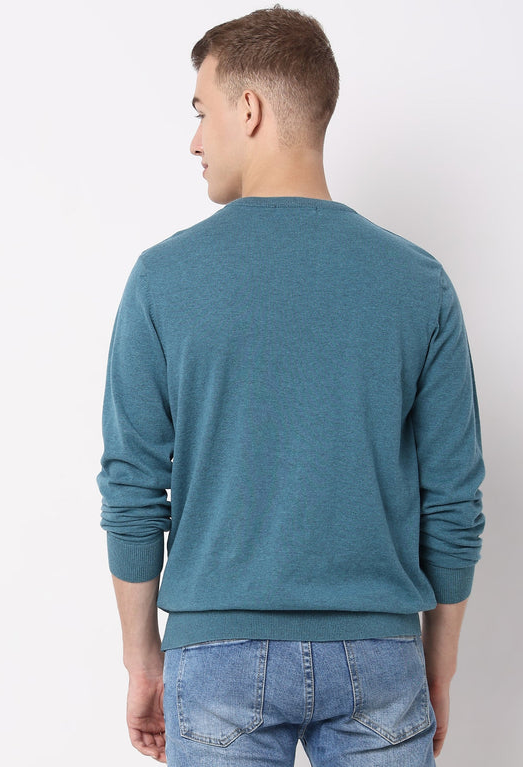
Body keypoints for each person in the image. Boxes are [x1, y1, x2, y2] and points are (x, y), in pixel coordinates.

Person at [95, 5, 486, 765]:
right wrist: (437, 665)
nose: (195, 140)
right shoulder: (419, 283)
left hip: (215, 651)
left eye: (201, 112)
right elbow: (452, 499)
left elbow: (134, 487)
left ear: (249, 109)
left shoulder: (162, 279)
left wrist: (143, 661)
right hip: (380, 653)